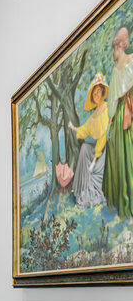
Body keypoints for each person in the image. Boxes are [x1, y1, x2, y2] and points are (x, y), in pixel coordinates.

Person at [103, 27, 133, 218]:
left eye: (113, 49)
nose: (113, 54)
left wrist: (109, 123)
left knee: (123, 154)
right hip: (129, 109)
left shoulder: (116, 71)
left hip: (124, 113)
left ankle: (125, 199)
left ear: (118, 47)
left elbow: (113, 102)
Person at [69, 73, 109, 208]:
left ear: (103, 92)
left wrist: (94, 161)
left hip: (104, 150)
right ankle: (82, 189)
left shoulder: (106, 108)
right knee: (85, 147)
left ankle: (91, 194)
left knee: (89, 153)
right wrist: (73, 128)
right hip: (97, 149)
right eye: (94, 94)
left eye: (98, 92)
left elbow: (103, 136)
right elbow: (85, 129)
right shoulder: (94, 114)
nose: (96, 95)